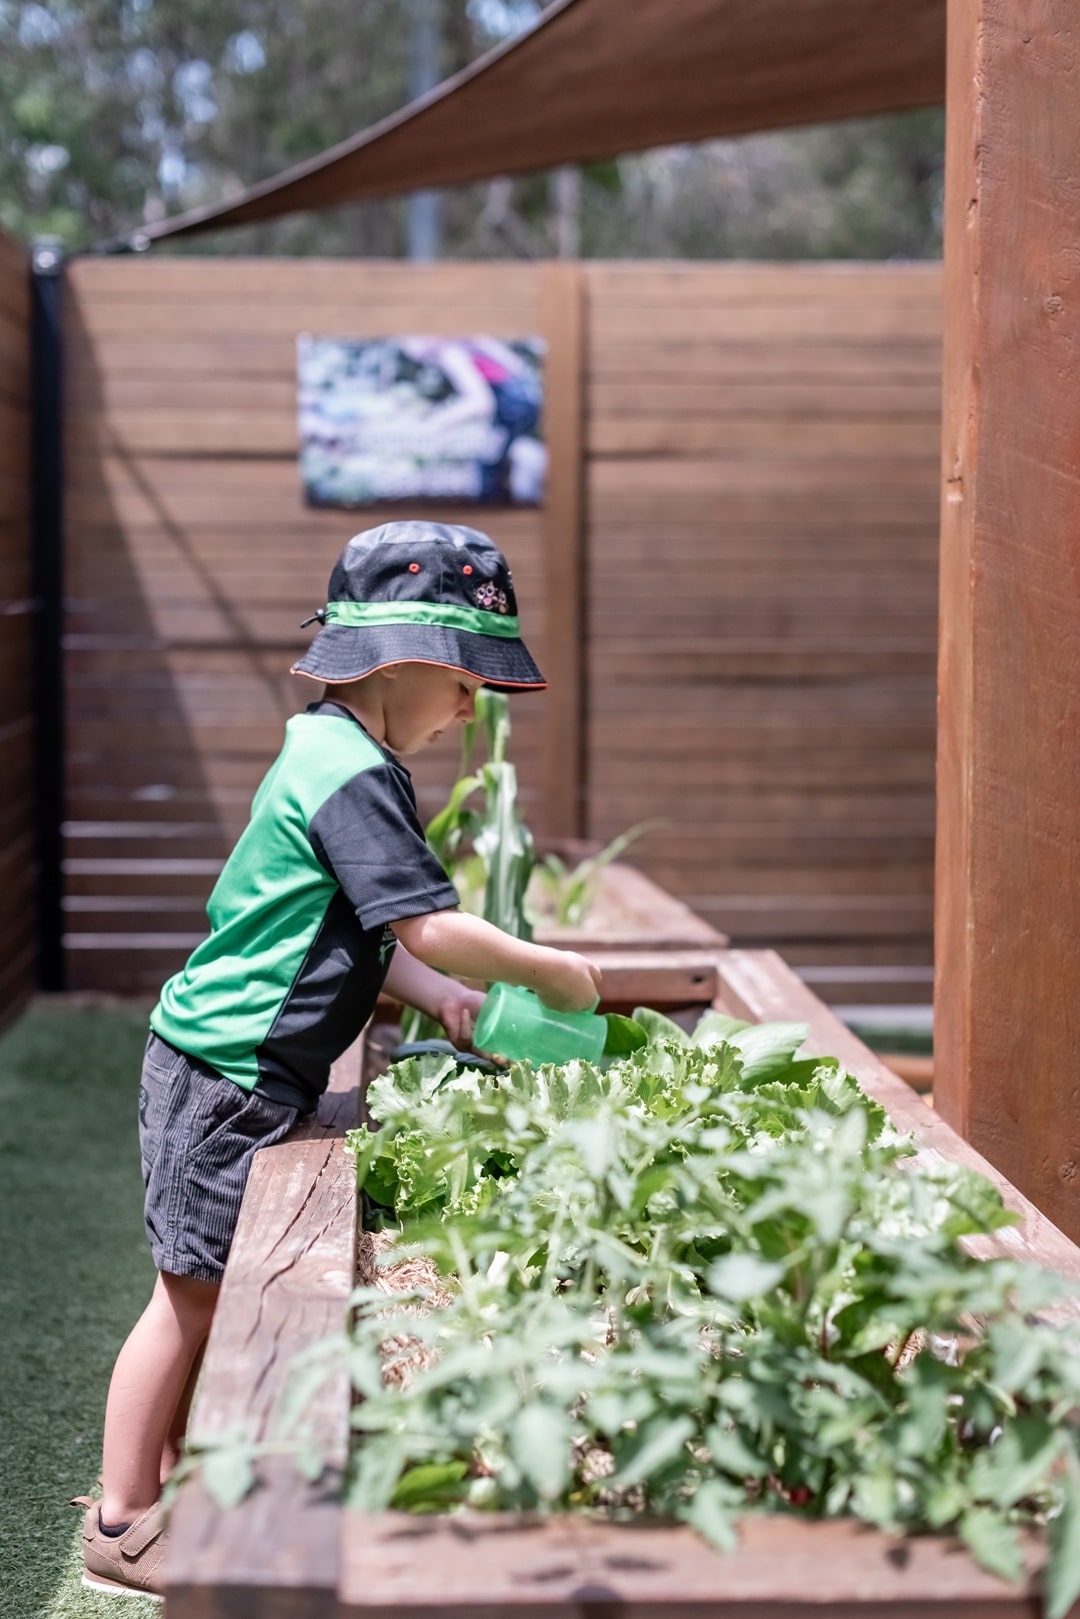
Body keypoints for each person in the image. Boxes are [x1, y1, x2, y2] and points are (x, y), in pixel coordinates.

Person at [77, 520, 601, 1598]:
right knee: (190, 1296)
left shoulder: (334, 751)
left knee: (202, 1287)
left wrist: (446, 998)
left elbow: (362, 936)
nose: (471, 710)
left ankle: (167, 1479)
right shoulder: (354, 774)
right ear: (400, 665)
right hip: (229, 1073)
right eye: (464, 685)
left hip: (230, 1064)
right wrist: (554, 970)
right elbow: (427, 924)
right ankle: (123, 1516)